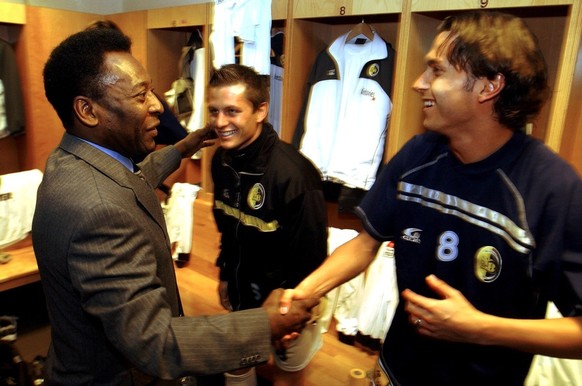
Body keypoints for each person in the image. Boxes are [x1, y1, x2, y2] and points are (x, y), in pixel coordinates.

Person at [280, 10, 582, 386]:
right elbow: (365, 243)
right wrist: (302, 296)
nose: (416, 83)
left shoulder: (552, 187)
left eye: (436, 71)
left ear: (489, 86)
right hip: (396, 369)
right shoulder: (418, 154)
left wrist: (479, 328)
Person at [32, 27, 318, 385]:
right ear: (87, 111)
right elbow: (157, 342)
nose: (157, 104)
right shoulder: (98, 210)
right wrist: (267, 323)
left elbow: (130, 180)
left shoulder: (71, 162)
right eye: (140, 95)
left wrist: (185, 146)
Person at [208, 64, 328, 386]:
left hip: (288, 302)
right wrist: (225, 276)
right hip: (242, 292)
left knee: (286, 375)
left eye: (232, 111)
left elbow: (312, 260)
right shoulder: (220, 161)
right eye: (214, 111)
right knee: (236, 363)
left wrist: (293, 314)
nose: (220, 123)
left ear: (260, 110)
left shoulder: (295, 175)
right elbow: (228, 228)